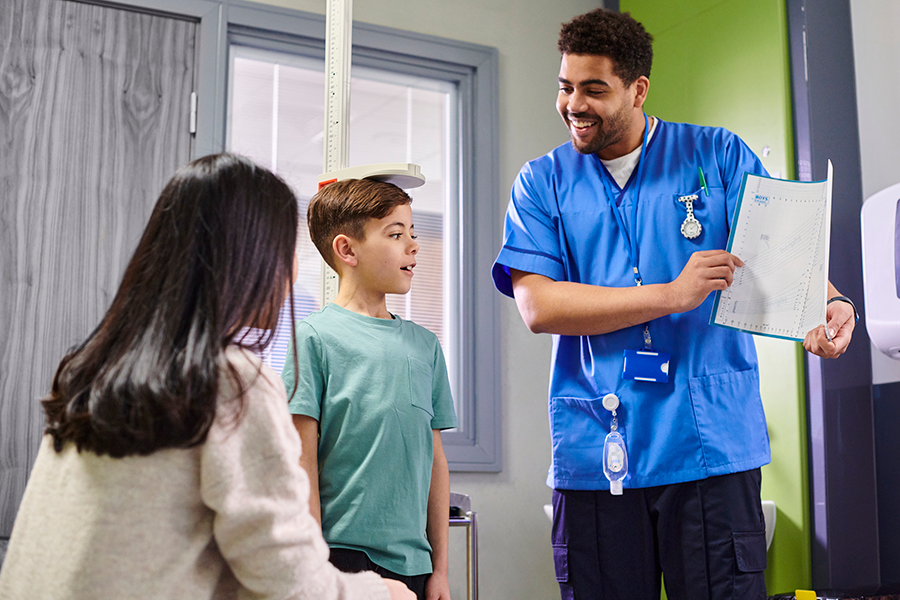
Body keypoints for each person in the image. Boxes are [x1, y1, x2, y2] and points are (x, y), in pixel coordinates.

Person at [491, 9, 857, 600]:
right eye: (565, 86)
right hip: (599, 451)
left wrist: (830, 307)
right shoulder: (541, 183)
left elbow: (786, 261)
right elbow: (539, 306)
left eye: (594, 89)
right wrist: (671, 295)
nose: (573, 104)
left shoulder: (716, 156)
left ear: (638, 90)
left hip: (709, 444)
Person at [0, 154, 414, 600]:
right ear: (249, 259)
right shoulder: (231, 381)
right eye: (283, 248)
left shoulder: (94, 367)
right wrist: (384, 593)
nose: (293, 270)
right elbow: (290, 581)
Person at [281, 178, 457, 600]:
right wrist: (315, 567)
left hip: (415, 564)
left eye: (413, 234)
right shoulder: (313, 338)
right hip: (340, 558)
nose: (413, 246)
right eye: (396, 235)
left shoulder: (425, 346)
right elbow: (301, 462)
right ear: (347, 250)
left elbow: (435, 463)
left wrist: (441, 570)